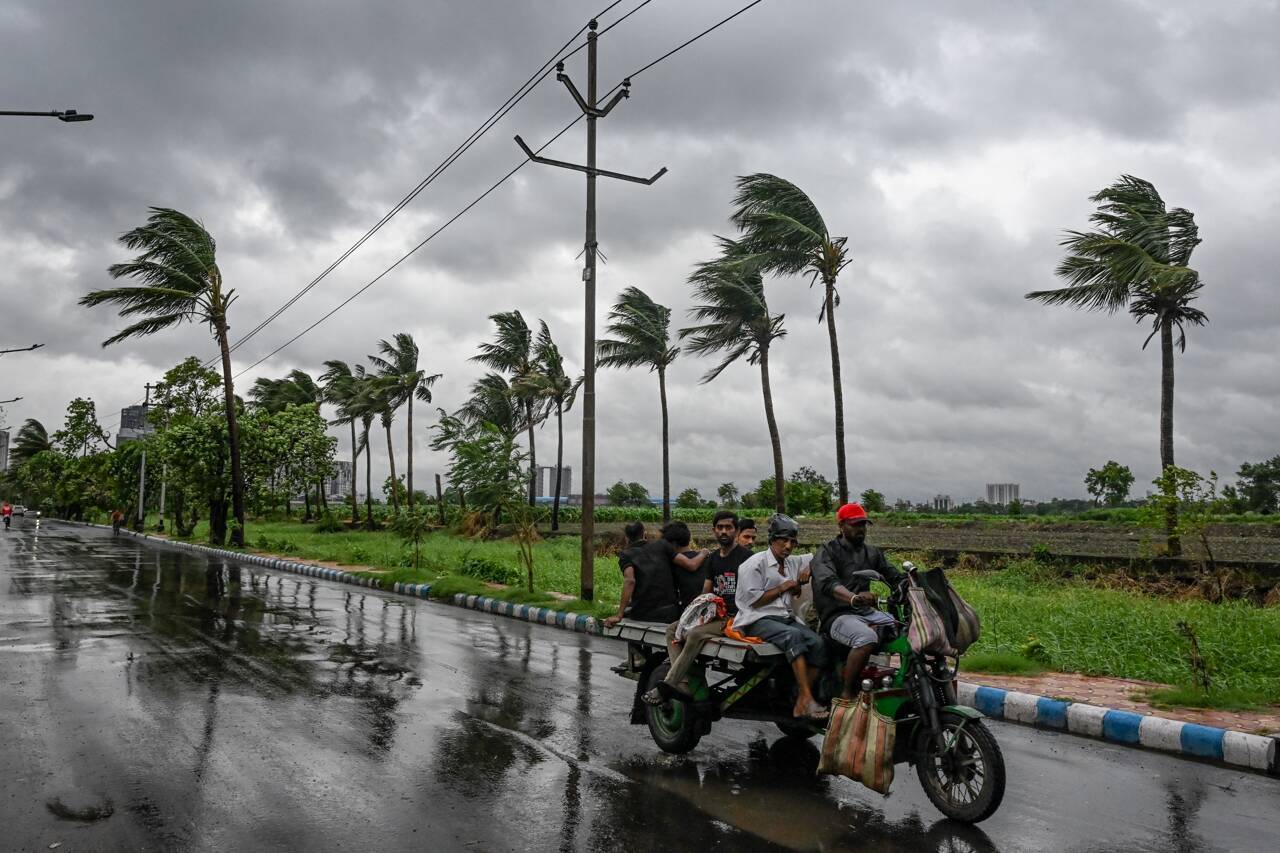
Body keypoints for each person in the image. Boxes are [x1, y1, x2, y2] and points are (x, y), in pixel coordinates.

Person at [646, 511, 749, 704]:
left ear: (736, 531)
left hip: (735, 617)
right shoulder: (713, 559)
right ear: (714, 531)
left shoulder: (746, 558)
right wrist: (692, 616)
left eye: (729, 527)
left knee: (694, 634)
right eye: (720, 528)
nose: (724, 531)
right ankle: (683, 684)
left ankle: (668, 685)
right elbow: (705, 591)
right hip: (714, 613)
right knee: (673, 630)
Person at [733, 514, 828, 720]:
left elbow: (823, 552)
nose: (788, 546)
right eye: (783, 540)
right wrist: (784, 586)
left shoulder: (792, 562)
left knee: (819, 643)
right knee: (792, 636)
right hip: (757, 620)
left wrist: (810, 567)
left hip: (784, 618)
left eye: (792, 542)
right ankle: (805, 699)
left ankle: (799, 696)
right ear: (772, 539)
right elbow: (754, 601)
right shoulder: (754, 564)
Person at [811, 503, 906, 700]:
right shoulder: (827, 551)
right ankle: (847, 693)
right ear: (841, 526)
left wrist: (914, 585)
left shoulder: (872, 552)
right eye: (855, 524)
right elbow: (828, 582)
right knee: (866, 637)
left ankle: (903, 684)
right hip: (837, 615)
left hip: (865, 613)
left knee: (905, 630)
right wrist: (853, 598)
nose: (860, 529)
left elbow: (894, 576)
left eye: (863, 524)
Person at [604, 521, 706, 627]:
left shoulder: (626, 555)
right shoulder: (662, 545)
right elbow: (691, 565)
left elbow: (630, 580)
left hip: (642, 613)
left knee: (633, 626)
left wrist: (619, 614)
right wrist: (704, 552)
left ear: (626, 538)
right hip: (669, 612)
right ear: (644, 534)